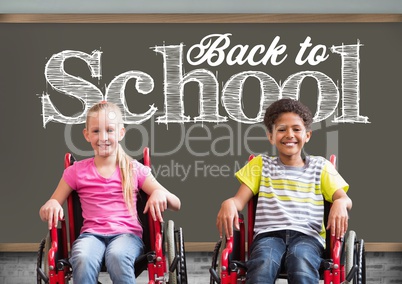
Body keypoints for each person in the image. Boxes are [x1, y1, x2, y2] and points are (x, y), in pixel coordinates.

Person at [39, 101, 181, 284]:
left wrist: (159, 194)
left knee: (117, 255)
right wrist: (50, 204)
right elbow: (49, 206)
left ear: (121, 133)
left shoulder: (133, 169)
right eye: (96, 131)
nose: (103, 137)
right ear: (87, 135)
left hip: (127, 236)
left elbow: (176, 203)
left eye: (110, 130)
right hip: (91, 236)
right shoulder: (76, 171)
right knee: (82, 257)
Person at [216, 98, 352, 284]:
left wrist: (340, 202)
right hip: (269, 235)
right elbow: (238, 201)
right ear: (271, 136)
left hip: (307, 236)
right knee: (263, 263)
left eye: (296, 129)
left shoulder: (321, 166)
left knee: (301, 261)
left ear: (307, 135)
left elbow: (344, 198)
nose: (289, 134)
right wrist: (228, 203)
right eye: (281, 129)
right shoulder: (260, 165)